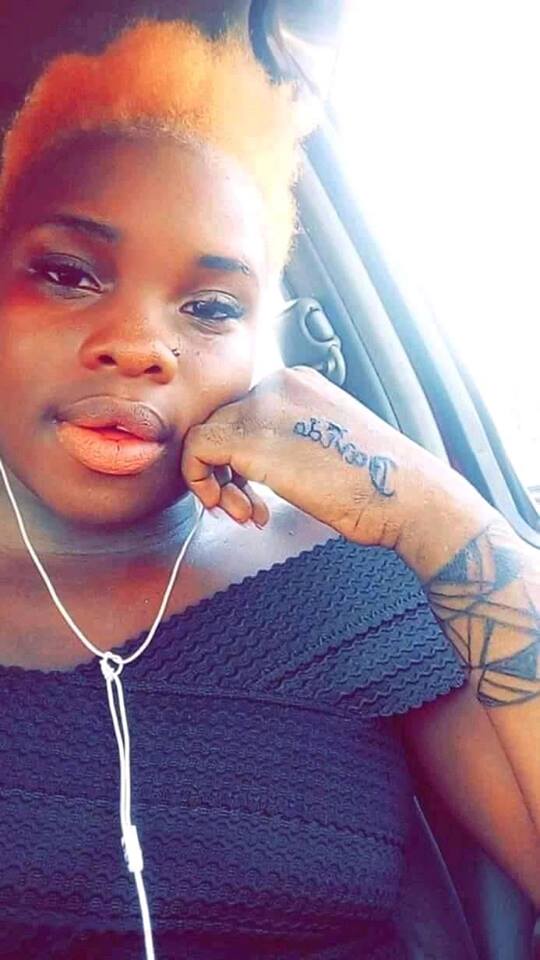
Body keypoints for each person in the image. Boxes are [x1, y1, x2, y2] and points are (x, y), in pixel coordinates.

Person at [0, 17, 538, 960]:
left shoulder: (351, 582)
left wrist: (433, 510)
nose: (142, 345)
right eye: (68, 273)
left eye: (212, 306)